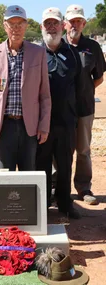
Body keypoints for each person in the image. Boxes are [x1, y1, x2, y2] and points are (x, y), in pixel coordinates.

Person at [0, 5, 51, 171]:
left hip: (29, 126)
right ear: (5, 26)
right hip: (3, 127)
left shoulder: (38, 53)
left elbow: (45, 95)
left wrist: (44, 125)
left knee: (28, 175)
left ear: (26, 26)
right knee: (5, 177)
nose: (16, 28)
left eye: (20, 23)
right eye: (12, 24)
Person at [36, 7, 84, 218]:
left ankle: (65, 203)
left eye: (55, 23)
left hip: (66, 122)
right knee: (42, 165)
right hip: (41, 123)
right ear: (41, 27)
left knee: (65, 164)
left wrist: (76, 117)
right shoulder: (35, 54)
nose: (51, 27)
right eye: (47, 23)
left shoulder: (73, 54)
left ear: (62, 25)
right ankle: (43, 205)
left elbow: (81, 87)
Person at [63, 4, 106, 205]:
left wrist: (85, 90)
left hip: (84, 108)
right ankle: (56, 187)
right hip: (61, 109)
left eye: (79, 20)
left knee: (83, 150)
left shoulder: (93, 47)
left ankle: (83, 187)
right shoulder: (57, 45)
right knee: (60, 149)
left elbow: (98, 78)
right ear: (65, 23)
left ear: (84, 23)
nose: (75, 24)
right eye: (72, 21)